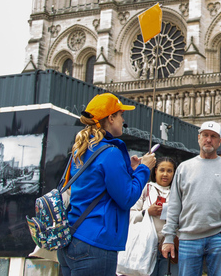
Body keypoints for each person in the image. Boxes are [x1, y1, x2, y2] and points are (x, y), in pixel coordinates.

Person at [58, 93, 156, 276]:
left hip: (72, 238)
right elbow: (126, 198)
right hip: (95, 244)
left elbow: (98, 187)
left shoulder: (82, 149)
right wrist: (144, 169)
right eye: (120, 115)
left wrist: (131, 171)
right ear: (111, 118)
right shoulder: (110, 152)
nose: (123, 120)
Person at [161, 121, 221, 276]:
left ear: (219, 141)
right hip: (188, 239)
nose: (208, 140)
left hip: (219, 238)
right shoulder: (184, 168)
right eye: (205, 135)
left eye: (213, 136)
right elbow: (174, 205)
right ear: (198, 138)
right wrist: (168, 238)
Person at [130, 157, 179, 276]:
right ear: (155, 171)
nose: (165, 174)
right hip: (145, 246)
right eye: (162, 170)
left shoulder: (178, 193)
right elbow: (130, 214)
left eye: (169, 171)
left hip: (170, 247)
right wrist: (147, 212)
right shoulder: (145, 189)